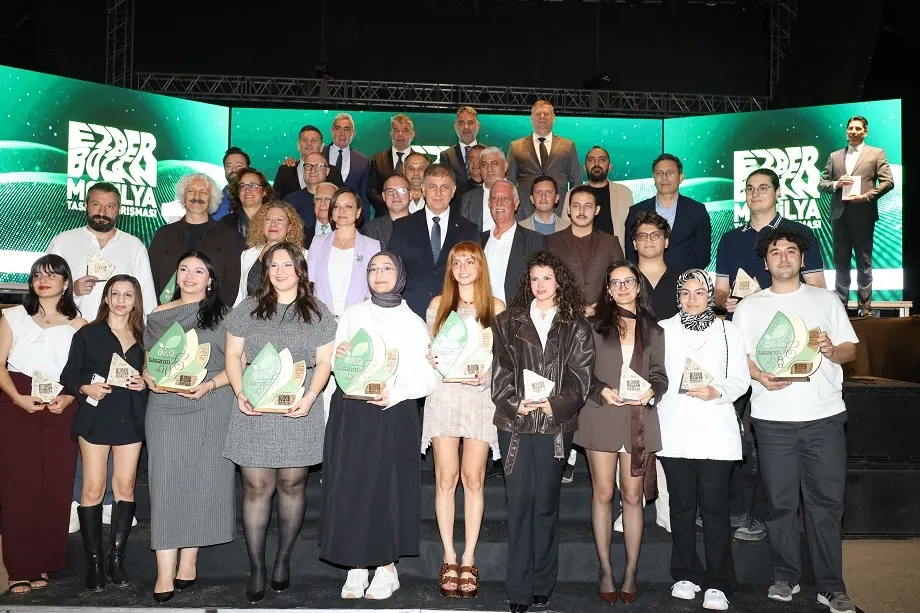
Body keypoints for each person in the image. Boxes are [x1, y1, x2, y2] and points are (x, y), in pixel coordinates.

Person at [732, 227, 858, 613]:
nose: (783, 257)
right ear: (765, 261)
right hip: (772, 421)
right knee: (781, 505)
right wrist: (760, 375)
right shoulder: (749, 307)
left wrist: (832, 350)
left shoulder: (826, 299)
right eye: (775, 252)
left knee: (826, 505)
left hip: (824, 418)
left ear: (802, 259)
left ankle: (831, 586)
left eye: (791, 251)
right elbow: (740, 359)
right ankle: (785, 577)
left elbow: (850, 349)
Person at [714, 167, 826, 542]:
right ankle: (730, 507)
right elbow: (720, 291)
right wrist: (725, 301)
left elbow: (819, 289)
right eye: (750, 188)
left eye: (763, 187)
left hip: (786, 347)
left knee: (772, 436)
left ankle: (761, 515)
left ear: (777, 192)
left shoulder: (798, 235)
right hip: (739, 344)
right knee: (728, 427)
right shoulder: (730, 239)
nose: (756, 193)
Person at [320, 252, 437, 600]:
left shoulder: (413, 322)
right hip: (352, 412)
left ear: (399, 275)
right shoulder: (353, 314)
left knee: (387, 489)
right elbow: (336, 364)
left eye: (387, 268)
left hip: (393, 412)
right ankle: (356, 565)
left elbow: (427, 376)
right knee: (352, 487)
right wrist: (341, 357)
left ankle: (387, 568)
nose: (379, 274)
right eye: (373, 269)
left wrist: (396, 393)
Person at [223, 242, 335, 603]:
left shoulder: (318, 311)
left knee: (291, 485)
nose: (280, 271)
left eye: (287, 264)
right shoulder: (247, 308)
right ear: (265, 271)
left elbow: (324, 363)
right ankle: (256, 567)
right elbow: (233, 355)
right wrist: (240, 393)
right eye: (274, 265)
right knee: (256, 488)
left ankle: (283, 560)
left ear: (300, 269)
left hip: (298, 407)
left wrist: (311, 397)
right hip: (254, 408)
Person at [46, 181, 155, 531]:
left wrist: (146, 349)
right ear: (86, 205)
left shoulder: (133, 245)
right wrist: (73, 292)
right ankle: (79, 499)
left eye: (109, 206)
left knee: (118, 416)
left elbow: (147, 299)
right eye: (96, 204)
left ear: (119, 210)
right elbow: (45, 288)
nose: (102, 211)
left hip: (125, 342)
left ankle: (112, 501)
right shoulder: (65, 241)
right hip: (76, 340)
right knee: (83, 420)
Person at [491, 250, 595, 613]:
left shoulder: (576, 326)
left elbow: (581, 379)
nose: (540, 285)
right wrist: (514, 402)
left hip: (555, 424)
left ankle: (542, 583)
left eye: (547, 278)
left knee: (546, 505)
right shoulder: (507, 320)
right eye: (534, 279)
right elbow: (500, 370)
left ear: (559, 282)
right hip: (516, 423)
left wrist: (555, 404)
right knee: (519, 504)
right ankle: (519, 589)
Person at [142, 251, 236, 603]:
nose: (190, 276)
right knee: (165, 482)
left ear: (210, 279)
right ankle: (164, 571)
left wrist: (210, 385)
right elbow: (150, 360)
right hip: (166, 405)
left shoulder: (225, 315)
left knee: (202, 479)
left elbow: (239, 365)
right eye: (184, 269)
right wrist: (149, 376)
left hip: (210, 402)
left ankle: (189, 560)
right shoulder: (158, 314)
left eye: (199, 271)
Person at [657, 270, 751, 611]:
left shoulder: (730, 331)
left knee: (714, 511)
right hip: (675, 432)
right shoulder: (663, 329)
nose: (692, 299)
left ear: (710, 295)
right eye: (685, 293)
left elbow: (741, 379)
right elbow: (654, 374)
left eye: (699, 292)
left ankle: (719, 582)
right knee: (681, 508)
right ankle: (685, 574)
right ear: (678, 296)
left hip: (715, 432)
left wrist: (717, 391)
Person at [575, 260, 667, 606]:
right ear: (608, 290)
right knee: (602, 494)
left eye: (628, 281)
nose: (623, 287)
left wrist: (652, 390)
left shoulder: (654, 331)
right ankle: (605, 569)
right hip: (601, 414)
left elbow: (660, 375)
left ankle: (630, 571)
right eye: (615, 282)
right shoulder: (592, 326)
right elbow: (579, 370)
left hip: (637, 417)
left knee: (632, 496)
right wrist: (600, 390)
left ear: (638, 286)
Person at [422, 242, 504, 599]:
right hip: (444, 396)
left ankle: (469, 558)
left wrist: (488, 376)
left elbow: (505, 358)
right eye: (457, 262)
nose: (464, 267)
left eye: (470, 261)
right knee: (445, 477)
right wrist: (428, 358)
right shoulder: (437, 306)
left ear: (481, 266)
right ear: (451, 269)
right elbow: (428, 353)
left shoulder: (496, 307)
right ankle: (449, 557)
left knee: (474, 478)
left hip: (479, 398)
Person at [0, 255, 86, 595]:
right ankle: (19, 568)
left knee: (55, 486)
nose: (43, 279)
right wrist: (18, 398)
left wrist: (69, 398)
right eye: (37, 274)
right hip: (16, 402)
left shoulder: (80, 325)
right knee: (18, 486)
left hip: (59, 406)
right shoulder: (12, 317)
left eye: (51, 274)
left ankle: (44, 562)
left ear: (66, 283)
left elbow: (86, 371)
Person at [61, 274, 147, 591]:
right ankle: (94, 563)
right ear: (106, 298)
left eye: (128, 295)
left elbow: (152, 376)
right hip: (95, 416)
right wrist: (87, 388)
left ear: (136, 300)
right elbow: (69, 375)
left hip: (131, 415)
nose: (121, 300)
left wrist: (143, 383)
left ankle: (116, 560)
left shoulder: (145, 335)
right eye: (116, 294)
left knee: (125, 486)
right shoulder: (88, 333)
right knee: (93, 489)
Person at [307, 187, 380, 423]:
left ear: (358, 212)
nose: (342, 211)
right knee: (323, 390)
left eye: (348, 206)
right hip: (322, 322)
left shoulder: (372, 246)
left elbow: (374, 289)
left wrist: (356, 317)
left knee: (352, 388)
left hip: (356, 325)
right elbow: (309, 285)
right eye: (337, 206)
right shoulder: (318, 242)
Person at [818, 115, 894, 317]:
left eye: (857, 128)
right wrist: (836, 184)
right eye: (850, 128)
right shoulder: (835, 156)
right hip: (840, 215)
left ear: (865, 132)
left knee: (864, 262)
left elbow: (888, 182)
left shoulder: (876, 153)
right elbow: (822, 184)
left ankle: (865, 307)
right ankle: (841, 306)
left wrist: (867, 196)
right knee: (840, 263)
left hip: (863, 214)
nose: (853, 131)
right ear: (846, 131)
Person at [388, 164, 479, 318]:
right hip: (409, 315)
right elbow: (391, 271)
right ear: (423, 189)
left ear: (453, 190)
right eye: (432, 187)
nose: (438, 193)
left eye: (444, 187)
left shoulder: (469, 230)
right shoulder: (402, 227)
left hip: (454, 315)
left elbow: (477, 275)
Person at [149, 173, 243, 307]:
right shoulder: (163, 234)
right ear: (183, 197)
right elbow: (150, 277)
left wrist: (219, 314)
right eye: (191, 191)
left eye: (203, 192)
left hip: (211, 314)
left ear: (212, 199)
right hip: (167, 313)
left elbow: (232, 282)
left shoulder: (228, 236)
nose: (197, 196)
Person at [625, 154, 712, 274]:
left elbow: (703, 256)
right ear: (654, 178)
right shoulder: (636, 211)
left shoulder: (697, 210)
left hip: (684, 281)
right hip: (646, 280)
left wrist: (688, 278)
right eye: (659, 173)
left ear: (681, 177)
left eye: (670, 173)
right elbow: (630, 253)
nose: (664, 177)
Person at [547, 185, 624, 317]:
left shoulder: (611, 242)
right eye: (576, 206)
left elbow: (620, 280)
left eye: (588, 206)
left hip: (603, 318)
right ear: (568, 209)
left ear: (597, 210)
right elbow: (546, 282)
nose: (581, 211)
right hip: (564, 317)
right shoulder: (552, 241)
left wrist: (601, 307)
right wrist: (571, 308)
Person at [507, 100, 581, 220]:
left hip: (560, 212)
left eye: (546, 114)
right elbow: (509, 183)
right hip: (525, 212)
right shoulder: (516, 146)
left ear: (554, 118)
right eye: (538, 114)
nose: (542, 117)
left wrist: (572, 209)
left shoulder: (568, 146)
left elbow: (576, 182)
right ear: (531, 118)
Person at [480, 179, 547, 305]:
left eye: (505, 198)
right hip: (481, 314)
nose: (499, 203)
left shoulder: (534, 241)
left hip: (518, 315)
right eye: (494, 198)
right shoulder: (477, 241)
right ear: (489, 204)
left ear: (516, 203)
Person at [235, 200, 307, 306]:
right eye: (268, 219)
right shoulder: (247, 255)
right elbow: (241, 297)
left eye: (279, 220)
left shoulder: (304, 256)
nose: (273, 224)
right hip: (250, 314)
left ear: (290, 227)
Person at [561, 146, 634, 245]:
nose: (596, 164)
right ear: (584, 167)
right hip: (580, 252)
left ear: (610, 167)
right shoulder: (572, 194)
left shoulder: (624, 193)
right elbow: (565, 229)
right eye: (591, 160)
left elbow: (632, 229)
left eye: (602, 160)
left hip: (616, 252)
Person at [632, 211, 681, 321]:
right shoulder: (625, 281)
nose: (648, 239)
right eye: (642, 236)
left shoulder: (682, 280)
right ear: (635, 244)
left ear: (666, 242)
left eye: (655, 235)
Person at [272, 125, 344, 199]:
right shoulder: (285, 171)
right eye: (304, 140)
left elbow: (341, 199)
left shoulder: (333, 172)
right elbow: (274, 200)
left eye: (313, 140)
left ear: (321, 147)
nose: (309, 143)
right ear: (298, 145)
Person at [367, 114, 417, 217]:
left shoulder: (421, 162)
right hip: (383, 216)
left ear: (412, 135)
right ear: (391, 134)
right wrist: (390, 205)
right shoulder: (377, 159)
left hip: (414, 216)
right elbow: (371, 191)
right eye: (396, 130)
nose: (400, 134)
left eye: (405, 130)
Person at [324, 113, 371, 211]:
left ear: (353, 133)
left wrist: (365, 220)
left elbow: (364, 197)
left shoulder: (362, 161)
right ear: (332, 131)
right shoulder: (320, 155)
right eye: (338, 128)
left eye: (347, 129)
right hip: (323, 213)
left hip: (350, 216)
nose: (342, 133)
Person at [457, 146, 507, 233]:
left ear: (505, 166)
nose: (489, 169)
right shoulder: (467, 199)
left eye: (494, 163)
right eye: (484, 165)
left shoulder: (523, 198)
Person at [221, 167, 273, 243]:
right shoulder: (225, 223)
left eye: (253, 186)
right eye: (242, 186)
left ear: (265, 191)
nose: (247, 190)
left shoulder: (274, 222)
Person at [363, 174, 411, 250]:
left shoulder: (423, 226)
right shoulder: (371, 229)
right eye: (390, 191)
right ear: (384, 196)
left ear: (410, 195)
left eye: (402, 190)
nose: (395, 195)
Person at [284, 151, 332, 227]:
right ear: (303, 171)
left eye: (318, 166)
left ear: (327, 171)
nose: (313, 170)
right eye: (308, 166)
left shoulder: (337, 199)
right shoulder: (290, 201)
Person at [440, 106, 482, 191]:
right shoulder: (446, 156)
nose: (466, 127)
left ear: (478, 126)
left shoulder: (488, 152)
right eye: (461, 123)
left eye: (470, 123)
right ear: (455, 127)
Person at [213, 147, 251, 220]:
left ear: (248, 169)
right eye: (229, 166)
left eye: (239, 166)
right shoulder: (214, 201)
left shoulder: (258, 199)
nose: (234, 170)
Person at [304, 182, 337, 249]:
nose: (322, 203)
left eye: (328, 199)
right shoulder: (302, 234)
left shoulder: (348, 234)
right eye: (318, 199)